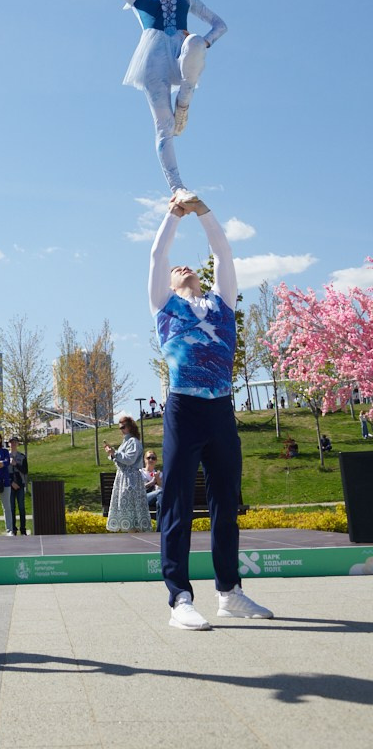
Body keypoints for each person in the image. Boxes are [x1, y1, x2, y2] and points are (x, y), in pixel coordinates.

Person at [150, 193, 273, 629]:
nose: (180, 266)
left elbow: (222, 251)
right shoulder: (165, 306)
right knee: (178, 502)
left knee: (225, 501)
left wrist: (203, 212)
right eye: (174, 268)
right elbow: (158, 252)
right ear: (166, 282)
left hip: (221, 409)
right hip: (184, 409)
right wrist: (173, 214)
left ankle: (229, 592)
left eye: (188, 266)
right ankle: (179, 597)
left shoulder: (224, 302)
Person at [49, 0, 226, 194]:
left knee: (197, 42)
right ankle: (177, 187)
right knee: (164, 126)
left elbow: (220, 25)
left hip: (181, 55)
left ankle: (185, 100)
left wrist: (208, 41)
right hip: (153, 60)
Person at [104, 415, 152, 532]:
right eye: (120, 427)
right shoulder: (126, 442)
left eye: (123, 427)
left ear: (130, 427)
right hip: (124, 477)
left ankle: (134, 531)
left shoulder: (133, 442)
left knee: (131, 507)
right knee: (125, 506)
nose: (121, 430)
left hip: (131, 480)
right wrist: (113, 454)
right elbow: (121, 461)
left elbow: (129, 459)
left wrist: (115, 454)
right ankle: (130, 531)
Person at [7, 435, 29, 535]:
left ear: (17, 444)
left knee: (21, 507)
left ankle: (23, 529)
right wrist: (11, 482)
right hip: (10, 484)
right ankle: (13, 529)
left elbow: (25, 470)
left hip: (20, 483)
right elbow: (4, 472)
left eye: (15, 442)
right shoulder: (5, 456)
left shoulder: (22, 456)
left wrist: (16, 464)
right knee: (11, 508)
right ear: (8, 444)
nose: (13, 444)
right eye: (11, 442)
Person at [140, 449, 163, 518]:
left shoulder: (159, 474)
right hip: (142, 498)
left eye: (153, 458)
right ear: (144, 459)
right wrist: (151, 482)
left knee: (159, 501)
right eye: (148, 458)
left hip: (156, 499)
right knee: (160, 493)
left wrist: (158, 480)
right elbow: (138, 489)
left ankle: (160, 525)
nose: (151, 460)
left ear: (156, 461)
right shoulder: (140, 473)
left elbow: (163, 490)